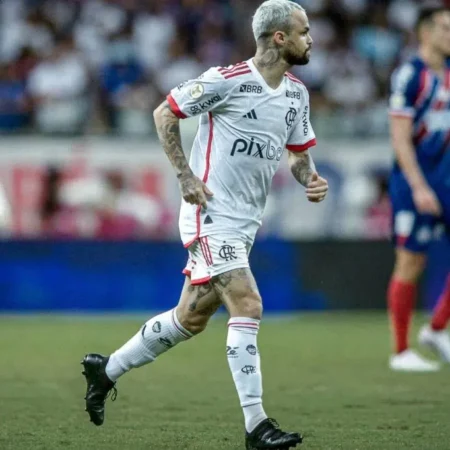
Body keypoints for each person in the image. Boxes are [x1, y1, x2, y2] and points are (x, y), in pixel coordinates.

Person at [81, 1, 328, 448]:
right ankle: (257, 426)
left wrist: (309, 177)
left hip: (246, 223)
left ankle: (106, 369)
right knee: (248, 304)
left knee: (190, 319)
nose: (311, 38)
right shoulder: (226, 81)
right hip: (211, 215)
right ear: (279, 37)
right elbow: (165, 113)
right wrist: (184, 176)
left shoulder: (296, 94)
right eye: (304, 31)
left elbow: (298, 153)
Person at [387, 5, 450, 372]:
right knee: (411, 261)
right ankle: (400, 351)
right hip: (413, 183)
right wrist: (418, 186)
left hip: (443, 180)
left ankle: (437, 328)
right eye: (444, 28)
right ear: (425, 33)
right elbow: (400, 137)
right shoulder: (411, 75)